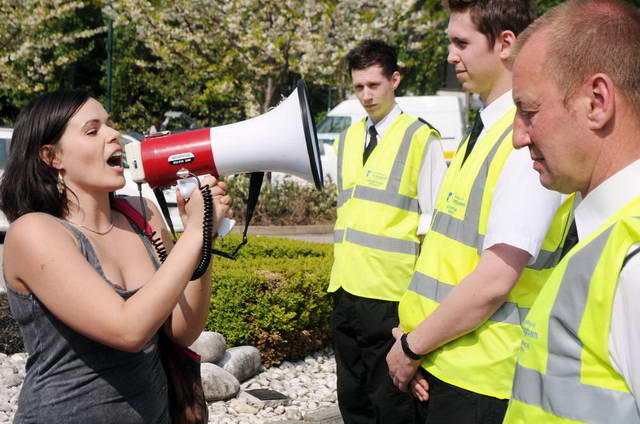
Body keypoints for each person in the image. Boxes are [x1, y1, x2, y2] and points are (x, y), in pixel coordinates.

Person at [386, 1, 570, 422]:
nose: (451, 56)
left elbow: (494, 281)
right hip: (444, 361)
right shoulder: (486, 130)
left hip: (480, 381)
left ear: (506, 43)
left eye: (461, 43)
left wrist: (411, 347)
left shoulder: (524, 144)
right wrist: (412, 340)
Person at [0, 89, 231, 423]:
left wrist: (205, 234)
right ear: (52, 157)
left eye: (109, 125)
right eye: (93, 131)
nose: (114, 134)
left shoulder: (142, 214)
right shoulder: (35, 233)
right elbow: (128, 330)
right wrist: (194, 232)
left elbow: (182, 330)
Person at [502, 0, 640, 422]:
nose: (518, 137)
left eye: (529, 112)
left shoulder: (633, 264)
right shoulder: (607, 238)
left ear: (596, 101)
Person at [328, 39, 447, 423]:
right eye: (358, 86)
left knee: (393, 405)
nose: (365, 95)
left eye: (373, 85)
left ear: (394, 80)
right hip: (344, 291)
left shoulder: (420, 139)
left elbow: (435, 228)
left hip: (391, 297)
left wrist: (423, 311)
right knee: (353, 400)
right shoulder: (347, 140)